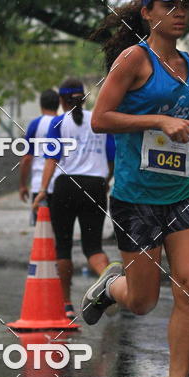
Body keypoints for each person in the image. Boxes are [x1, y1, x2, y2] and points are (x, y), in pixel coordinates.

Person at [82, 0, 189, 377]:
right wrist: (156, 122)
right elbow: (100, 119)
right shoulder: (134, 59)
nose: (179, 12)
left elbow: (184, 130)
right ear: (148, 13)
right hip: (136, 196)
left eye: (186, 5)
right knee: (143, 300)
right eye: (169, 5)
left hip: (185, 191)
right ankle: (111, 285)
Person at [33, 78, 115, 320]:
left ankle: (66, 304)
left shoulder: (58, 122)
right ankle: (109, 291)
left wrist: (42, 189)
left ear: (61, 100)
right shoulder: (100, 120)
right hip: (95, 186)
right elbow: (112, 160)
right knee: (93, 247)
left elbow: (51, 159)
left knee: (63, 247)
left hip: (65, 187)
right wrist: (103, 182)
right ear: (84, 98)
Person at [19, 89, 60, 222]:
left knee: (42, 232)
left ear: (41, 105)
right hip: (62, 185)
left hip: (40, 185)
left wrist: (23, 185)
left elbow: (27, 158)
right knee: (61, 232)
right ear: (58, 104)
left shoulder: (35, 125)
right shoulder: (63, 122)